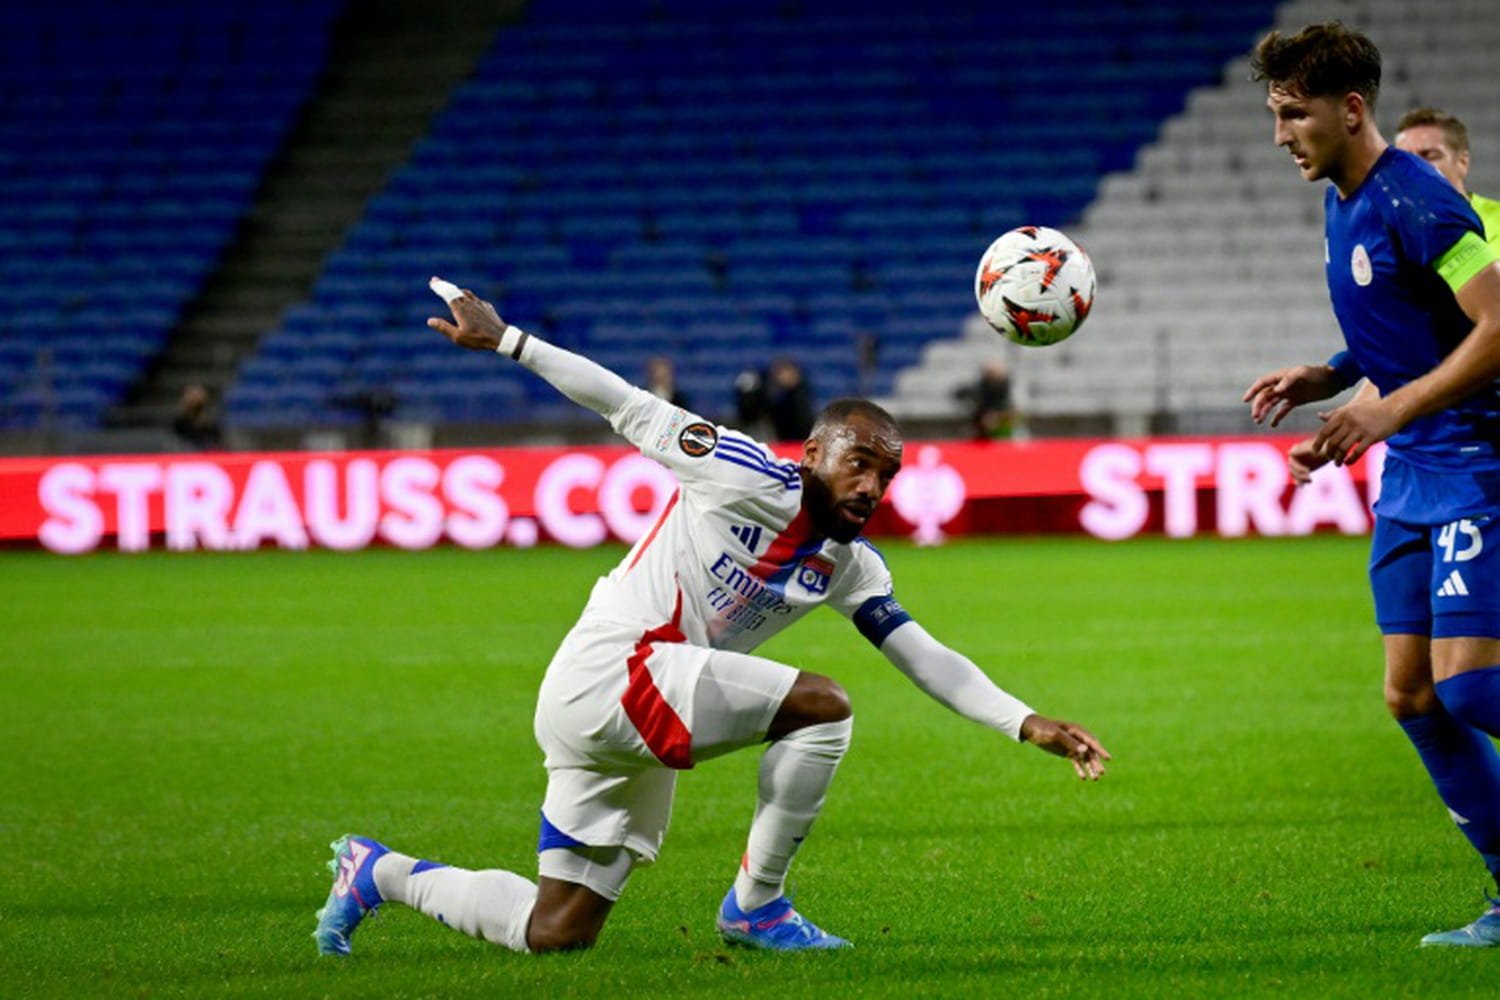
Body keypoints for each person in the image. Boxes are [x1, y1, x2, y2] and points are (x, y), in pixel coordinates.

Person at [313, 283, 1111, 957]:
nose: (873, 486)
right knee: (824, 707)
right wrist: (510, 342)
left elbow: (922, 653)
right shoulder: (734, 468)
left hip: (633, 704)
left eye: (887, 474)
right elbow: (622, 402)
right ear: (813, 457)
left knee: (558, 929)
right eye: (858, 463)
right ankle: (757, 906)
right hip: (617, 670)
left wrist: (1024, 721)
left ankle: (375, 871)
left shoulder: (849, 564)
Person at [1243, 22, 1500, 947]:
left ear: (1350, 110)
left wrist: (1388, 412)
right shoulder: (1342, 194)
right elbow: (1412, 312)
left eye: (1291, 115)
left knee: (1470, 690)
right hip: (1413, 475)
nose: (1281, 137)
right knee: (1414, 697)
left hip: (1477, 461)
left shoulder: (1421, 198)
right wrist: (1333, 374)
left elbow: (1497, 325)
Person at [1395, 108, 1500, 243]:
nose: (1414, 167)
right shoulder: (1388, 234)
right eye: (1405, 159)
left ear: (1462, 161)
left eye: (1429, 155)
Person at [955, 359, 1017, 440]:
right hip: (982, 420)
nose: (995, 376)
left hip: (998, 420)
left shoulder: (1004, 389)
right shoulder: (980, 388)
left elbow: (1005, 406)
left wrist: (998, 416)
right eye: (992, 373)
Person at [171, 383, 220, 450]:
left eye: (198, 395)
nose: (195, 398)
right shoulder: (178, 422)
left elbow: (216, 443)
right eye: (192, 395)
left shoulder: (213, 423)